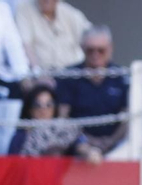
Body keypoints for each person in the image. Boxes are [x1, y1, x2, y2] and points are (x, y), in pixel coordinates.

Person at [54, 24, 126, 156]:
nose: (95, 54)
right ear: (82, 49)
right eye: (90, 50)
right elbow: (63, 117)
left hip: (116, 146)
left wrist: (110, 141)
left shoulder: (121, 76)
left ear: (110, 49)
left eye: (101, 50)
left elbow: (127, 118)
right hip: (77, 147)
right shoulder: (69, 76)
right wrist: (85, 141)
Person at [15, 0, 89, 71]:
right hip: (43, 74)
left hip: (72, 73)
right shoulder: (25, 11)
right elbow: (25, 45)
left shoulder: (71, 13)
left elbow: (92, 38)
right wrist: (37, 72)